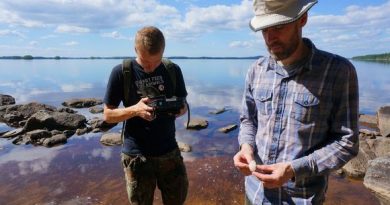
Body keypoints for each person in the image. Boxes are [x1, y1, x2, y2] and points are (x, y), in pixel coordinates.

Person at [233, 0, 359, 204]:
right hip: (254, 194)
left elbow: (347, 142)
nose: (270, 37)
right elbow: (248, 120)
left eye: (279, 27)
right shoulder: (256, 70)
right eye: (264, 29)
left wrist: (293, 170)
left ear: (303, 20)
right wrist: (246, 147)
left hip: (303, 199)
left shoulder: (338, 71)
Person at [103, 26, 188, 205]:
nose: (150, 67)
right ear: (135, 50)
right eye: (145, 62)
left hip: (169, 152)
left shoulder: (173, 70)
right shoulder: (121, 72)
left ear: (163, 52)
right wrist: (135, 110)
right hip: (136, 156)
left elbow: (184, 105)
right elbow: (108, 115)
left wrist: (180, 110)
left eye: (156, 62)